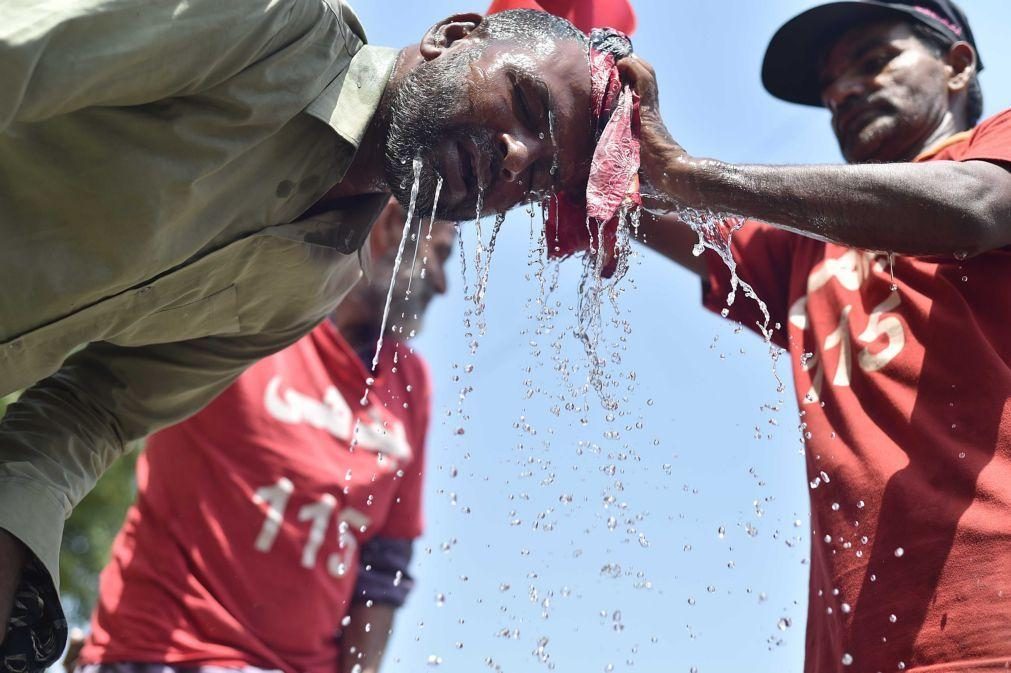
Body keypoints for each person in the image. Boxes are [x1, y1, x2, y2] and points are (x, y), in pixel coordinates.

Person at [0, 4, 613, 669]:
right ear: (451, 36)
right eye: (525, 102)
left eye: (539, 182)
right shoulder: (271, 30)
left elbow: (93, 409)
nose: (516, 158)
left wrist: (13, 533)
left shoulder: (308, 284)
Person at [623, 1, 1011, 671]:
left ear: (956, 66)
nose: (843, 92)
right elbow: (628, 200)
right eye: (831, 85)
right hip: (853, 652)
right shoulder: (802, 250)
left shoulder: (995, 149)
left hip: (989, 629)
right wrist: (556, 125)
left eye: (874, 61)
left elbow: (978, 208)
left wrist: (698, 176)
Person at [56, 199, 453, 673]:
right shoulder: (257, 310)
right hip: (162, 651)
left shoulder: (411, 386)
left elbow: (384, 568)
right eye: (440, 255)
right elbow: (103, 399)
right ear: (389, 225)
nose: (444, 285)